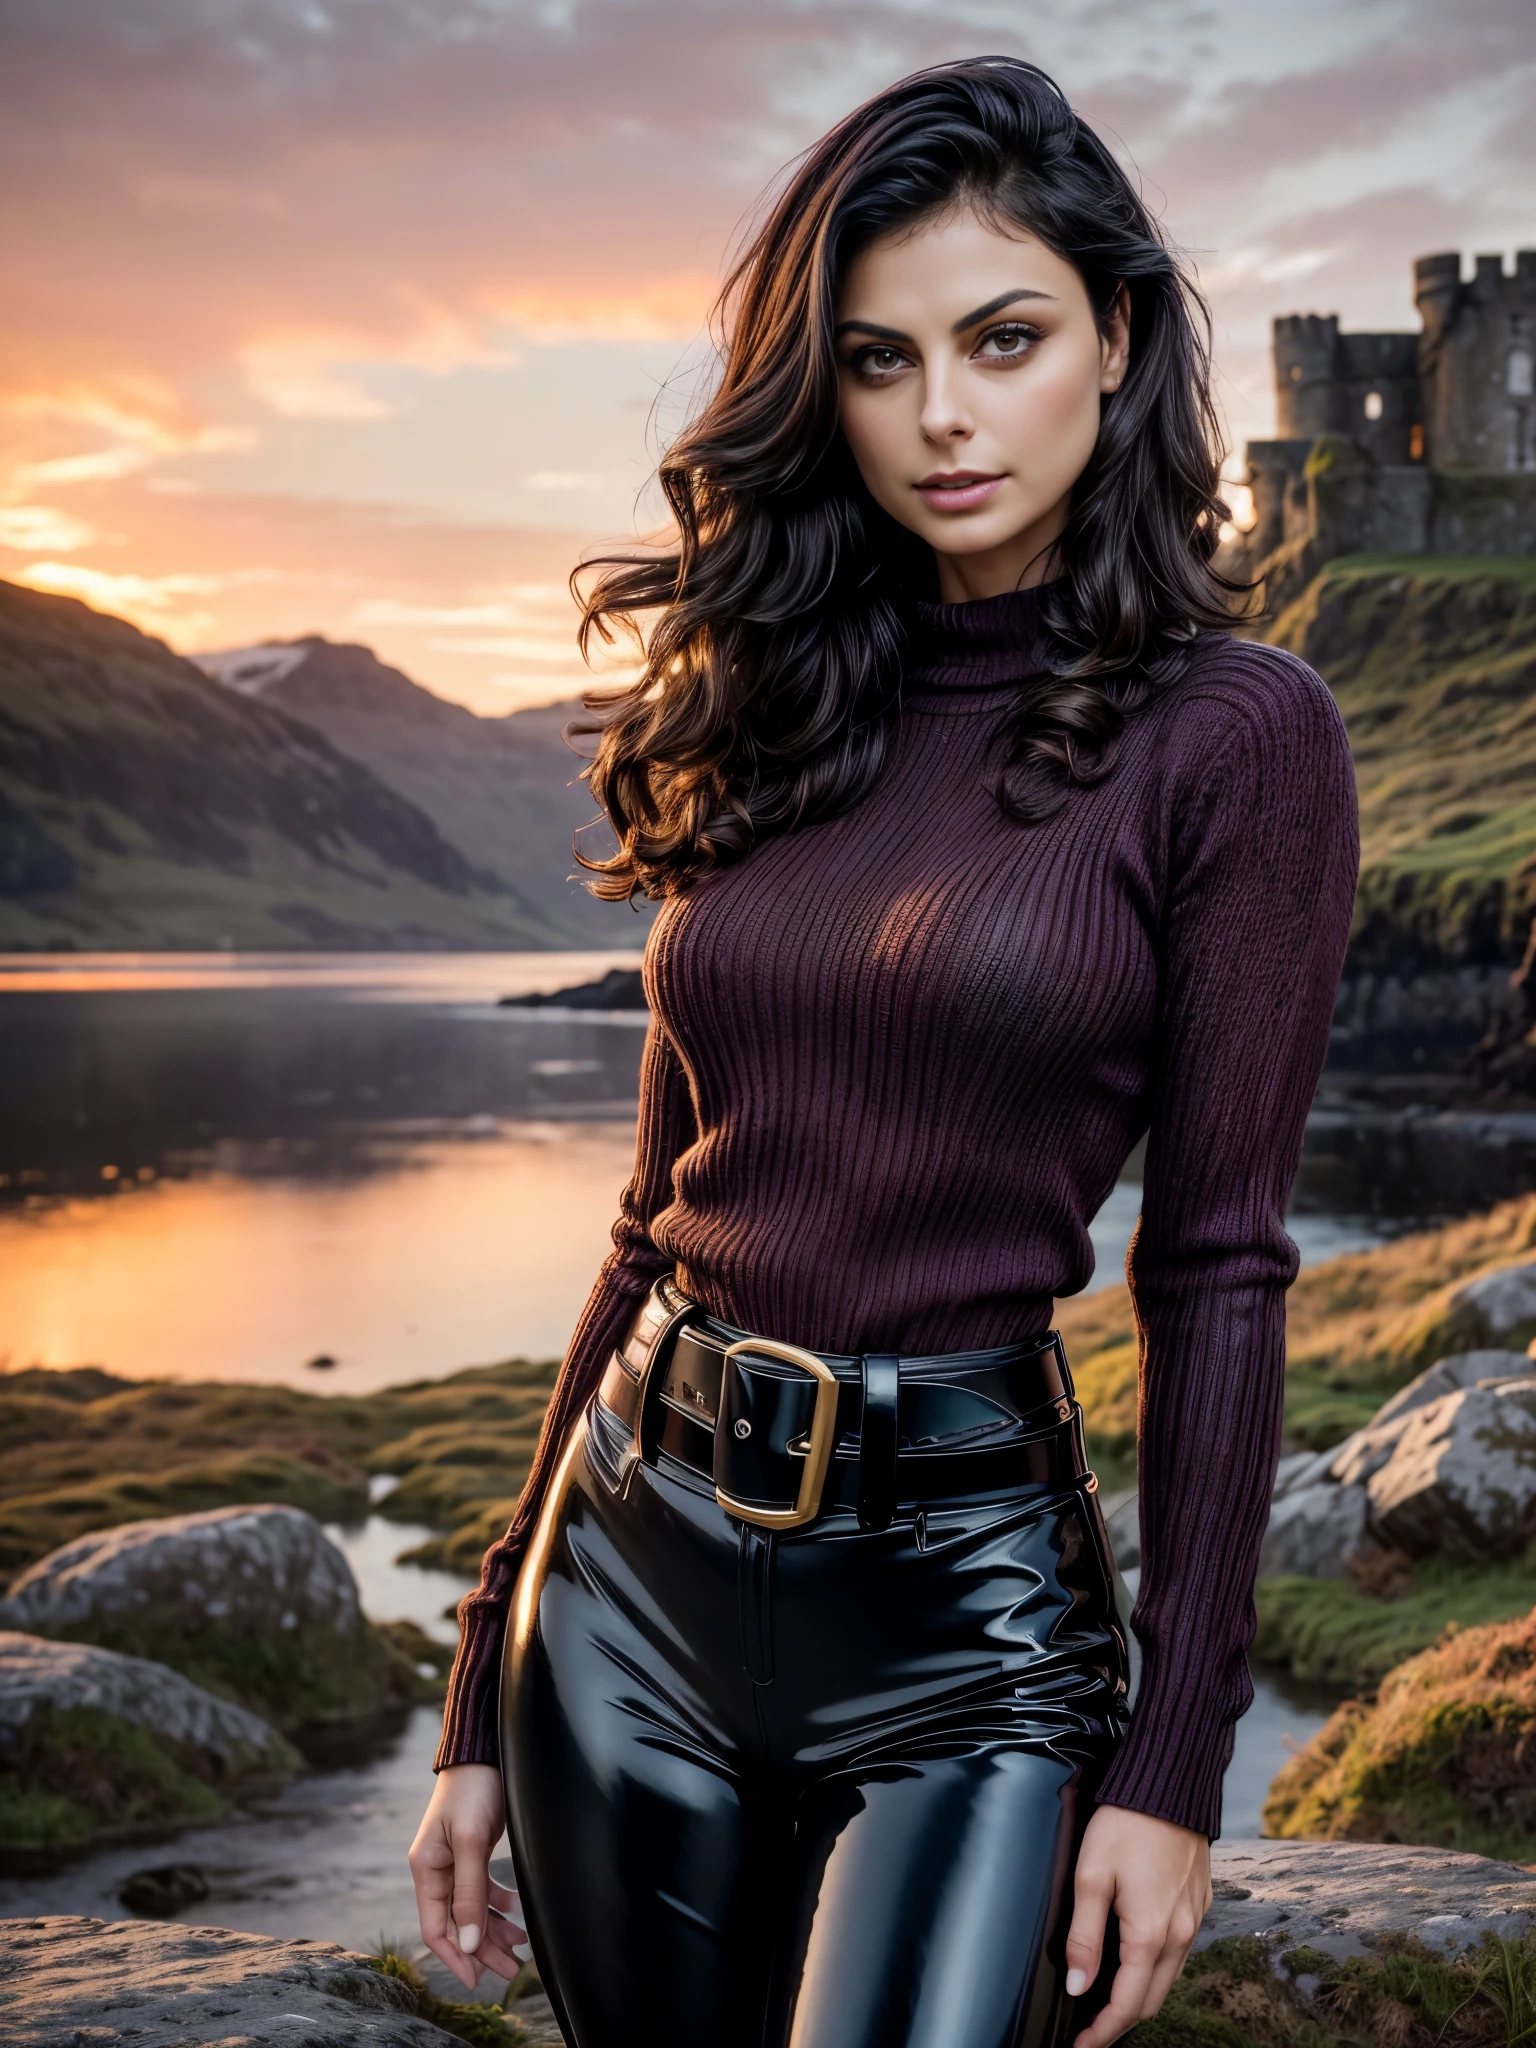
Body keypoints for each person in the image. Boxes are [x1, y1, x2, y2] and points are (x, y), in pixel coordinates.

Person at [409, 54, 1359, 2048]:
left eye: (1002, 339)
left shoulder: (1235, 734)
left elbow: (1217, 1267)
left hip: (971, 1630)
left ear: (1114, 335)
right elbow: (654, 1211)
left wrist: (1178, 1758)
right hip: (627, 1590)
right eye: (877, 359)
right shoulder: (777, 697)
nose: (942, 414)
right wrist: (489, 1646)